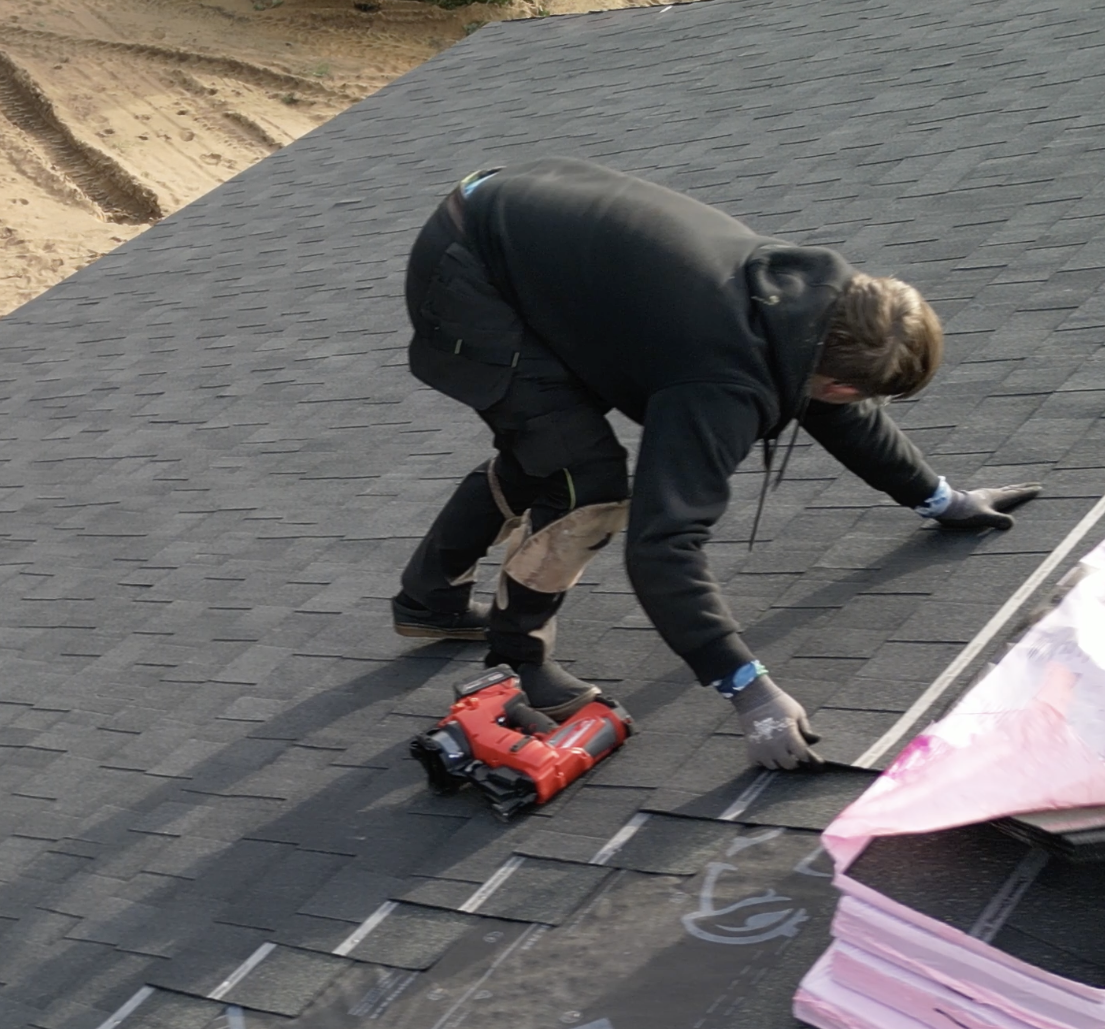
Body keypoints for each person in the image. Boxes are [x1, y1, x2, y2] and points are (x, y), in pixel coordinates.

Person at [391, 161, 1039, 769]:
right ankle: (517, 662)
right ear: (843, 380)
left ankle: (431, 600)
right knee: (584, 483)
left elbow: (837, 410)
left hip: (513, 224)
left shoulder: (807, 302)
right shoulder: (722, 379)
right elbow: (663, 547)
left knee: (546, 451)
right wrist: (747, 688)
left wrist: (939, 498)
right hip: (471, 274)